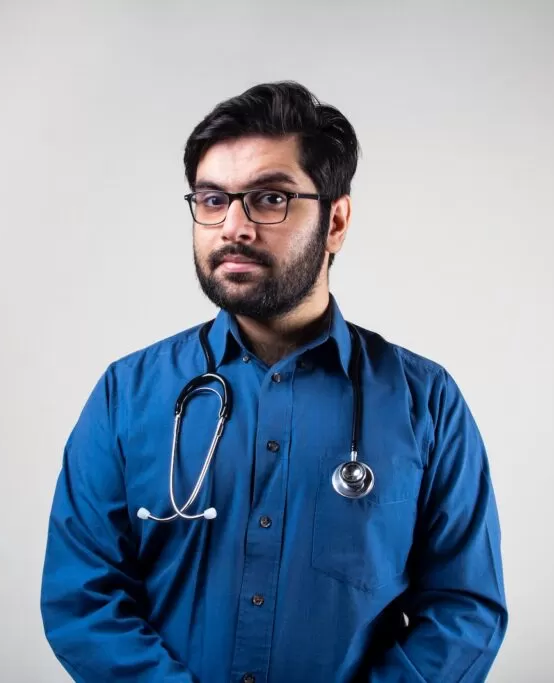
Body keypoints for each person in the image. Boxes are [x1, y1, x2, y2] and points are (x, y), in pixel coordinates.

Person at [40, 81, 508, 683]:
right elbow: (84, 600)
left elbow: (465, 609)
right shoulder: (126, 395)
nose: (233, 226)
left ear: (335, 221)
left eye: (269, 199)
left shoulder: (425, 402)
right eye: (212, 200)